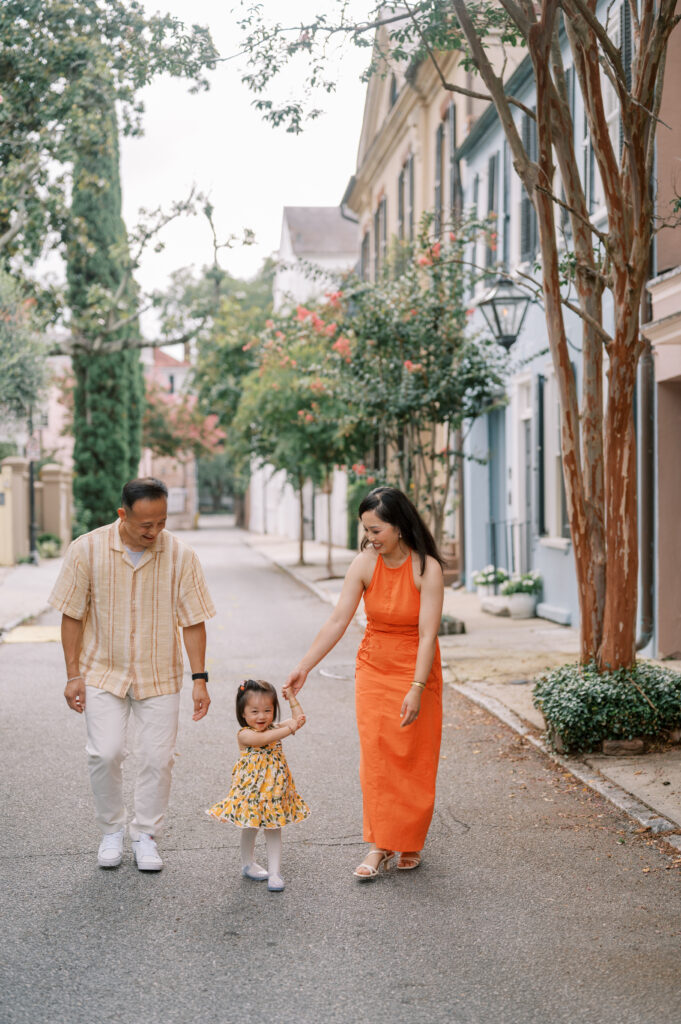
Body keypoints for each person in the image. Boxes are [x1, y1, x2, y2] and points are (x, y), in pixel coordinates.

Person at [49, 477, 215, 873]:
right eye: (146, 524)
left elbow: (193, 621)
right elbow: (72, 615)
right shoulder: (86, 549)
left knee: (158, 758)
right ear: (122, 514)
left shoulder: (181, 555)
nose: (154, 531)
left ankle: (145, 834)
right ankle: (111, 830)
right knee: (104, 753)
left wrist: (200, 678)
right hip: (102, 670)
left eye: (161, 522)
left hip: (159, 673)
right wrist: (72, 675)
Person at [284, 485, 444, 881]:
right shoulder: (364, 564)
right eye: (366, 530)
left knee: (413, 756)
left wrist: (417, 688)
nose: (370, 538)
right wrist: (305, 666)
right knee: (376, 758)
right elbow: (338, 620)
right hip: (373, 670)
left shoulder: (427, 569)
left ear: (399, 527)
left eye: (376, 530)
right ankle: (379, 844)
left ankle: (409, 841)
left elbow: (428, 635)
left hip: (416, 670)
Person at [207, 678, 309, 892]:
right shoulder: (246, 734)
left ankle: (275, 872)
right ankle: (248, 863)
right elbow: (265, 739)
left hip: (275, 791)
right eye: (254, 711)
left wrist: (291, 698)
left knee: (274, 829)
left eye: (267, 710)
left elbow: (299, 719)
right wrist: (289, 728)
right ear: (243, 713)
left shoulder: (275, 728)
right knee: (250, 826)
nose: (261, 716)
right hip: (251, 792)